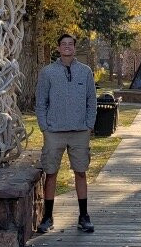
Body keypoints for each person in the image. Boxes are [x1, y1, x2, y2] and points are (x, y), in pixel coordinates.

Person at [35, 33, 98, 234]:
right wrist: (44, 126)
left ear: (74, 47)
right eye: (64, 44)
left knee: (81, 172)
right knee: (51, 173)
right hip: (54, 132)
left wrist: (89, 125)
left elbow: (92, 101)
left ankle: (83, 216)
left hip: (80, 132)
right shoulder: (48, 72)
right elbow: (41, 102)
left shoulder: (85, 72)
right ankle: (47, 216)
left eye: (71, 44)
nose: (67, 47)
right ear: (58, 48)